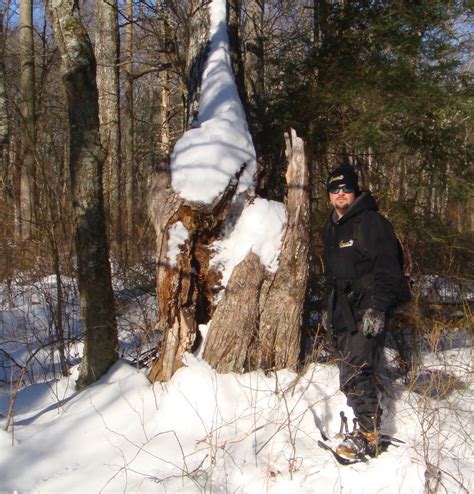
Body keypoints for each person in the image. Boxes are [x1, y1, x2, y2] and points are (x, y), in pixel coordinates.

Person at [322, 163, 403, 460]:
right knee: (348, 369)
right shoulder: (332, 226)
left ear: (355, 190)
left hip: (367, 305)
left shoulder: (371, 222)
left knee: (357, 369)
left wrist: (377, 308)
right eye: (335, 188)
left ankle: (369, 435)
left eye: (346, 188)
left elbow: (389, 268)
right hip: (344, 308)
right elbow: (335, 273)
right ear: (329, 194)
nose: (341, 193)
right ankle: (364, 423)